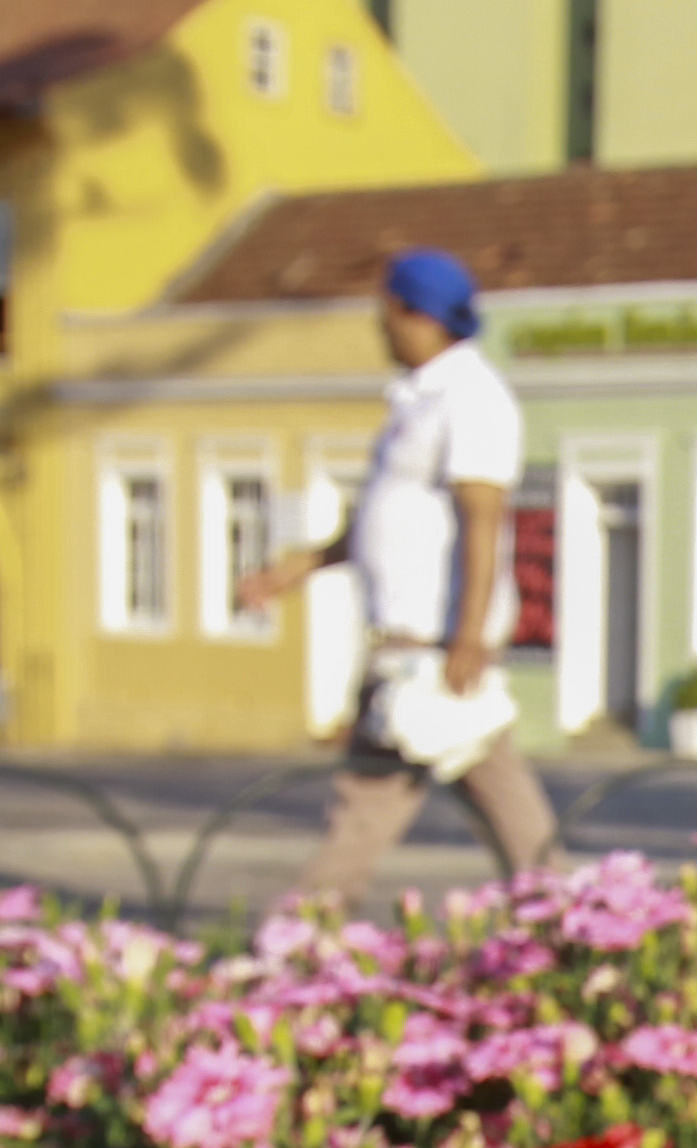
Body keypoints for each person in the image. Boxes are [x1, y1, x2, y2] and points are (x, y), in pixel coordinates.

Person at [236, 247, 552, 902]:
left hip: (435, 646)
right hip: (405, 641)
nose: (380, 325)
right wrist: (301, 567)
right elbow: (385, 517)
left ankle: (304, 937)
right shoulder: (417, 401)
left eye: (386, 310)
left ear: (414, 313)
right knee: (492, 813)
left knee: (380, 805)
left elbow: (483, 517)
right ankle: (582, 919)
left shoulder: (471, 398)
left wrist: (467, 635)